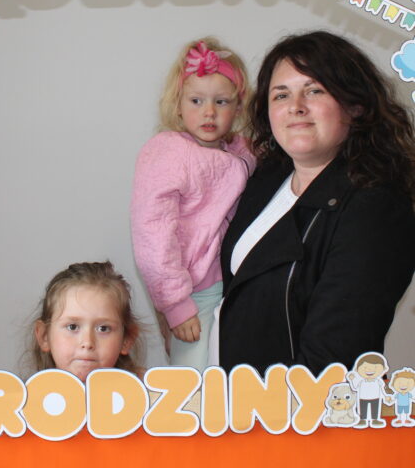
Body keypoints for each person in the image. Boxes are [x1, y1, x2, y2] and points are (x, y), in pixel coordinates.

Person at [212, 30, 415, 375]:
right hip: (235, 392)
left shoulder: (377, 210)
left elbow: (332, 359)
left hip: (296, 405)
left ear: (355, 106)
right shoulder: (268, 177)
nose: (296, 107)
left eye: (314, 90)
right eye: (281, 95)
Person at [131, 38, 255, 371]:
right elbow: (152, 233)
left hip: (229, 284)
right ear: (178, 104)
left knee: (228, 374)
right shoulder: (168, 152)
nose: (209, 112)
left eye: (221, 101)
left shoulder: (241, 151)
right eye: (196, 100)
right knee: (193, 379)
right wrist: (175, 303)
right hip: (193, 289)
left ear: (238, 107)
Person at [32, 261, 143, 382]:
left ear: (126, 339)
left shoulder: (142, 392)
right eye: (73, 327)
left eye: (103, 329)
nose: (87, 342)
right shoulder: (28, 394)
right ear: (44, 336)